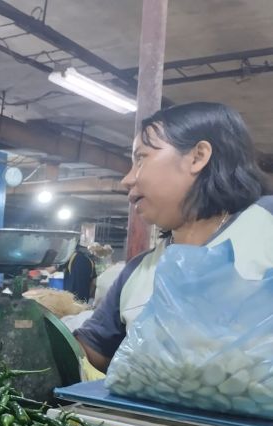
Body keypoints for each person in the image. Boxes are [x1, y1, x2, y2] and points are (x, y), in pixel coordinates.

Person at [76, 102, 273, 373]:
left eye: (141, 159)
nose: (127, 180)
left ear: (197, 157)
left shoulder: (265, 226)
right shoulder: (139, 271)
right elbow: (93, 351)